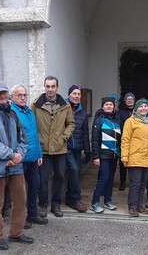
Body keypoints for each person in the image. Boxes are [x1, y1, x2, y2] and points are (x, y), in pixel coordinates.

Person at [0, 81, 34, 251]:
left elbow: (23, 139)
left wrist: (18, 156)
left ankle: (16, 233)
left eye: (4, 93)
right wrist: (10, 155)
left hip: (15, 166)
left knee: (20, 201)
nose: (2, 96)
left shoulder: (13, 115)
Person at [31, 76, 75, 218]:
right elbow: (31, 125)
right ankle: (43, 204)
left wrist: (64, 137)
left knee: (60, 176)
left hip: (60, 149)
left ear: (57, 87)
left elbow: (71, 124)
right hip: (42, 148)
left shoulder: (65, 106)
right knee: (43, 178)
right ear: (44, 87)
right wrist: (37, 140)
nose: (50, 89)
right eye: (47, 86)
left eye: (53, 86)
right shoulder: (36, 105)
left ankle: (56, 204)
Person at [10, 85, 48, 227]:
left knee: (34, 186)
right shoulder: (12, 112)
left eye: (24, 95)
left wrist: (39, 154)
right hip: (20, 159)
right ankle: (21, 218)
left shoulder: (30, 112)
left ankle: (32, 214)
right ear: (13, 97)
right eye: (19, 95)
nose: (22, 97)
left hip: (32, 158)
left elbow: (34, 135)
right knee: (20, 191)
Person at [121, 98, 148, 217]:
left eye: (145, 106)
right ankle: (132, 206)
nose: (143, 108)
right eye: (140, 107)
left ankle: (140, 205)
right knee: (135, 183)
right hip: (135, 157)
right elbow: (125, 140)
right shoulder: (130, 121)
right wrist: (124, 156)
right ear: (136, 109)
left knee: (143, 183)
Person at [90, 96, 121, 214]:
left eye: (111, 104)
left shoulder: (117, 120)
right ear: (102, 106)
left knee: (110, 179)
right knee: (103, 179)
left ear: (114, 106)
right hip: (103, 156)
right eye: (106, 104)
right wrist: (96, 156)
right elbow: (95, 139)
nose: (109, 106)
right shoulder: (99, 119)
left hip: (114, 155)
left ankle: (108, 201)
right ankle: (94, 202)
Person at [65, 85, 91, 213]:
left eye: (79, 94)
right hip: (66, 148)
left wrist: (87, 150)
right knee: (74, 170)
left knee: (75, 173)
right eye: (74, 94)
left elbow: (85, 133)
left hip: (77, 149)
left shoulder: (82, 113)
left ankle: (69, 198)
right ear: (69, 95)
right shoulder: (62, 109)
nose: (76, 96)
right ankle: (76, 199)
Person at [117, 92, 136, 191]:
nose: (130, 100)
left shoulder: (137, 111)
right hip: (124, 140)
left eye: (131, 99)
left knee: (134, 162)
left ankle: (133, 181)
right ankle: (123, 181)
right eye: (128, 99)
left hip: (136, 141)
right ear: (125, 101)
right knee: (123, 162)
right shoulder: (121, 112)